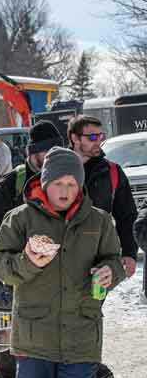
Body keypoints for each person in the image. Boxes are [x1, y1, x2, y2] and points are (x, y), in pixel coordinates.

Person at [0, 147, 125, 378]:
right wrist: (28, 262)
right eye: (59, 184)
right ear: (44, 183)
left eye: (72, 184)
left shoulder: (99, 220)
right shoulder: (20, 218)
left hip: (81, 336)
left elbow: (113, 259)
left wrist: (111, 273)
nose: (65, 191)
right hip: (34, 339)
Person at [0, 121, 58, 378]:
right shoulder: (14, 179)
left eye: (53, 149)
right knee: (9, 318)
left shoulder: (65, 178)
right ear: (32, 152)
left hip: (55, 265)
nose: (49, 156)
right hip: (17, 264)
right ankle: (3, 374)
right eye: (43, 151)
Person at [68, 115, 138, 281]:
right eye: (92, 137)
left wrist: (129, 252)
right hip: (61, 260)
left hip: (98, 262)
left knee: (91, 305)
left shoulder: (112, 172)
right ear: (75, 138)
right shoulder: (56, 170)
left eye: (100, 136)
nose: (98, 141)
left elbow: (127, 216)